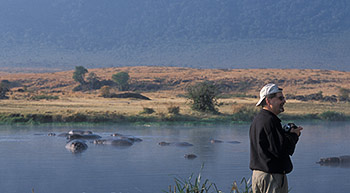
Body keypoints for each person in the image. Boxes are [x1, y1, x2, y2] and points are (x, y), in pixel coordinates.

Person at [249, 83, 303, 193]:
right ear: (268, 101)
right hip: (271, 178)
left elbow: (271, 146)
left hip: (258, 176)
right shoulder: (270, 121)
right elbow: (281, 150)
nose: (284, 101)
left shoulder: (258, 119)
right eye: (280, 98)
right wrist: (293, 135)